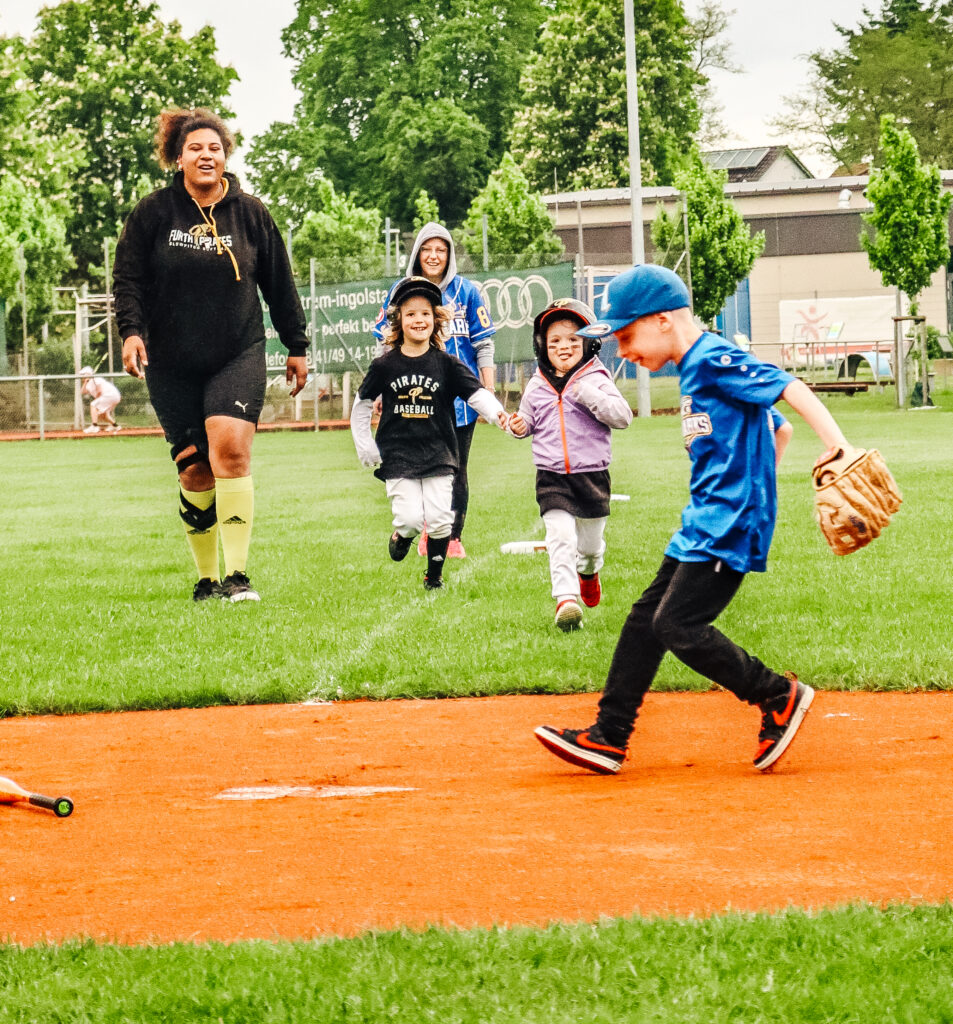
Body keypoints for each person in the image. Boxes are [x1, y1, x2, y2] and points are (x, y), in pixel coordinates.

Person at [535, 264, 855, 775]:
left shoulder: (713, 358)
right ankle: (609, 736)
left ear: (662, 320)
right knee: (644, 621)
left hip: (728, 523)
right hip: (705, 519)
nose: (621, 349)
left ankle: (777, 695)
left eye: (626, 334)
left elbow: (788, 389)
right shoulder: (693, 369)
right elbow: (779, 430)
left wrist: (838, 448)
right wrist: (758, 483)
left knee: (676, 624)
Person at [113, 108, 308, 603]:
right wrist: (131, 332)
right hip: (171, 360)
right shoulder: (154, 213)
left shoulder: (251, 213)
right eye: (195, 148)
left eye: (215, 148)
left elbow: (279, 284)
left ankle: (238, 576)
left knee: (231, 450)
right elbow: (128, 279)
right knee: (194, 469)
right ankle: (206, 578)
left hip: (236, 352)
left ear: (226, 157)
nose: (206, 155)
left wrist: (297, 345)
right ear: (178, 158)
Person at [352, 276, 507, 590]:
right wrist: (365, 446)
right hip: (398, 454)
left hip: (439, 452)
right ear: (399, 320)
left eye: (425, 313)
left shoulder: (446, 364)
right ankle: (403, 534)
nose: (418, 320)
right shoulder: (384, 365)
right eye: (410, 314)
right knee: (410, 519)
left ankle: (433, 577)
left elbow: (476, 394)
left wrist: (500, 416)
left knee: (439, 519)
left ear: (436, 319)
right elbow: (362, 403)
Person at [372, 223, 496, 559]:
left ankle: (451, 537)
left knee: (456, 468)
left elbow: (483, 344)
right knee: (415, 466)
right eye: (427, 249)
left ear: (450, 255)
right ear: (417, 253)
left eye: (441, 250)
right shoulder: (401, 290)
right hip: (413, 399)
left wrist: (488, 389)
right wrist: (381, 392)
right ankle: (414, 525)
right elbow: (385, 342)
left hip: (460, 401)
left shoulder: (467, 292)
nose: (433, 256)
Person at [508, 298, 633, 631]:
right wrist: (519, 425)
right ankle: (566, 600)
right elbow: (528, 420)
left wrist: (588, 394)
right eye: (554, 341)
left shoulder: (598, 379)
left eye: (573, 339)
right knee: (560, 536)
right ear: (541, 346)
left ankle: (589, 571)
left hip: (591, 475)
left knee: (588, 548)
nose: (563, 347)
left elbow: (623, 417)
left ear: (589, 343)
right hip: (551, 476)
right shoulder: (537, 384)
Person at [80, 366, 121, 433]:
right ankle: (115, 426)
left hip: (111, 395)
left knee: (93, 404)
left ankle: (94, 426)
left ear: (88, 374)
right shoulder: (88, 383)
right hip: (111, 397)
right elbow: (82, 391)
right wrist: (85, 382)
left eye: (83, 374)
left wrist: (97, 401)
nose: (82, 376)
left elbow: (99, 391)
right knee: (103, 415)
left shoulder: (96, 379)